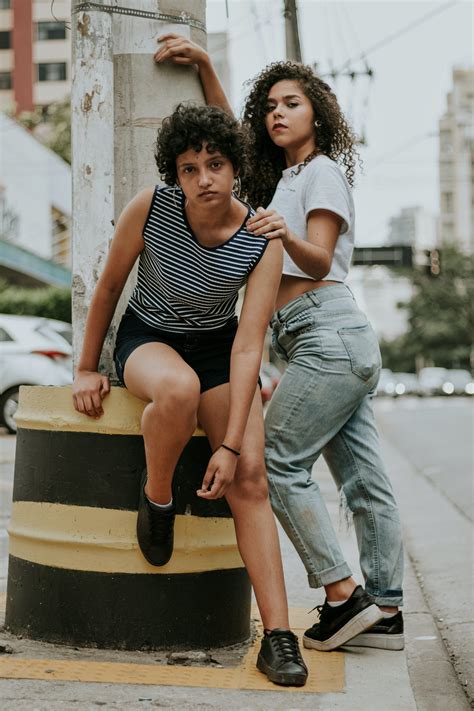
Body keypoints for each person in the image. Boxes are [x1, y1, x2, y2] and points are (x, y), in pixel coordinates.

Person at [155, 36, 405, 653]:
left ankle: (344, 597)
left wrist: (283, 234)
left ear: (316, 111)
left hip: (326, 330)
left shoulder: (321, 173)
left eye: (291, 102)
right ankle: (389, 608)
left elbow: (319, 259)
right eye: (270, 105)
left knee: (277, 462)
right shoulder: (278, 175)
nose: (276, 113)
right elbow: (230, 139)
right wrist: (207, 66)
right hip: (324, 340)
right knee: (363, 479)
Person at [72, 103, 308, 686]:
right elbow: (107, 287)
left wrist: (229, 447)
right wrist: (85, 367)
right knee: (175, 390)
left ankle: (278, 637)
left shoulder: (262, 238)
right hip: (148, 336)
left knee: (252, 476)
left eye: (215, 164)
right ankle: (156, 500)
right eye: (188, 167)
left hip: (219, 348)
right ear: (174, 175)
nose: (203, 178)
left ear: (235, 168)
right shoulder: (152, 208)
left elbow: (250, 346)